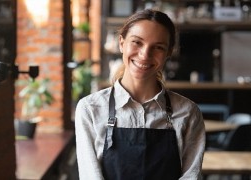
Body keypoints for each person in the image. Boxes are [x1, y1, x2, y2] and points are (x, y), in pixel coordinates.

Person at [75, 9, 205, 180]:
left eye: (158, 47)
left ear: (168, 53)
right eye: (137, 42)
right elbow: (90, 175)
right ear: (121, 42)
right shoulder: (90, 109)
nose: (145, 54)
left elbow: (191, 176)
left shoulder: (188, 112)